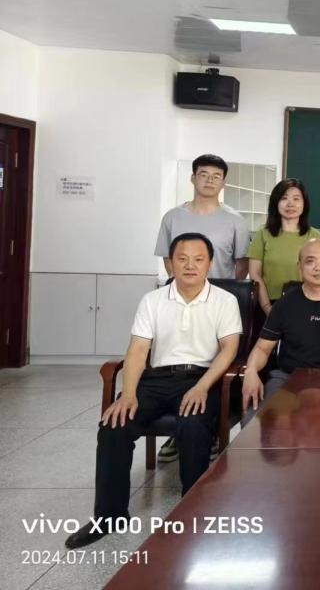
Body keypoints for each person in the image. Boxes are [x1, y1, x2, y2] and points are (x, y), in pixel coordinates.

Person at [64, 233, 241, 549]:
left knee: (193, 425)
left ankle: (191, 512)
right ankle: (109, 516)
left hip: (202, 377)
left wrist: (202, 387)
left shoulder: (225, 301)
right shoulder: (153, 300)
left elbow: (229, 348)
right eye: (182, 259)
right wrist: (128, 394)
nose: (190, 265)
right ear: (171, 262)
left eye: (198, 259)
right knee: (114, 425)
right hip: (156, 379)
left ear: (210, 263)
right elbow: (137, 350)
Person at [152, 154, 247, 464]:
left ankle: (209, 428)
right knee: (178, 362)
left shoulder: (235, 220)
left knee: (214, 361)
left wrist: (224, 295)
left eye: (216, 176)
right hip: (179, 300)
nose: (209, 180)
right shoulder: (172, 217)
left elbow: (241, 264)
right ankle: (178, 432)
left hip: (219, 302)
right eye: (203, 174)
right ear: (193, 178)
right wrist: (183, 286)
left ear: (224, 182)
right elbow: (168, 259)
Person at [241, 238, 320, 425]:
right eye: (310, 261)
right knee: (256, 424)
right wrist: (251, 370)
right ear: (299, 267)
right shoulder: (285, 304)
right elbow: (263, 348)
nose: (319, 267)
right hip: (289, 380)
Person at [247, 178, 320, 316]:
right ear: (276, 202)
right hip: (268, 304)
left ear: (304, 203)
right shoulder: (263, 234)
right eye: (284, 198)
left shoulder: (314, 236)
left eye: (296, 199)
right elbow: (255, 274)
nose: (290, 204)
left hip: (307, 303)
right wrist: (267, 308)